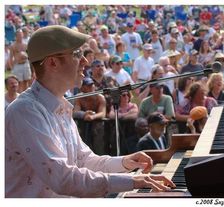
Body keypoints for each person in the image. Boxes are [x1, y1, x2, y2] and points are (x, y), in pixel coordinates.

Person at [5, 25, 175, 198]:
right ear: (52, 62)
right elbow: (63, 178)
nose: (85, 61)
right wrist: (134, 181)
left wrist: (125, 162)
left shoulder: (59, 107)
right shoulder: (25, 111)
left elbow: (84, 161)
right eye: (77, 54)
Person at [73, 77, 107, 155]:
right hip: (83, 125)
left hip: (97, 126)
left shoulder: (100, 97)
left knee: (98, 145)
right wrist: (84, 114)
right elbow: (75, 112)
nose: (91, 87)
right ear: (83, 88)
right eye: (88, 85)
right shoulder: (79, 97)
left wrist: (92, 117)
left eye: (92, 85)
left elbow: (102, 113)